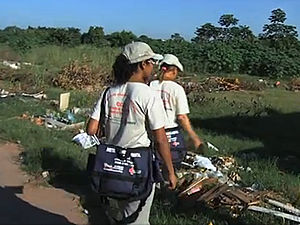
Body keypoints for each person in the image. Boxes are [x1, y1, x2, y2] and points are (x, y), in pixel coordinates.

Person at [86, 42, 177, 225]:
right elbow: (160, 139)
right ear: (143, 64)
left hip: (110, 167)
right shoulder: (148, 94)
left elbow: (91, 130)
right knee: (137, 220)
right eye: (151, 62)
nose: (153, 67)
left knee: (119, 214)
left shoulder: (109, 92)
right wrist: (170, 171)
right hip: (137, 167)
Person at [150, 54, 202, 169]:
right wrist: (194, 136)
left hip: (152, 132)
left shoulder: (150, 85)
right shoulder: (177, 89)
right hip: (170, 133)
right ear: (174, 71)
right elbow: (182, 117)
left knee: (153, 165)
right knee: (171, 165)